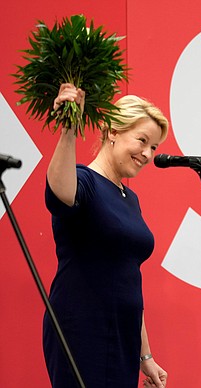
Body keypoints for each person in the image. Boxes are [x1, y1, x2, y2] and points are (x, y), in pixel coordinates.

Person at [43, 83, 168, 388]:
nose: (147, 154)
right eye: (142, 140)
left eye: (153, 147)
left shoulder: (130, 198)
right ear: (113, 131)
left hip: (123, 335)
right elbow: (59, 192)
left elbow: (128, 278)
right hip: (82, 327)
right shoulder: (83, 181)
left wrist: (145, 356)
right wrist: (69, 130)